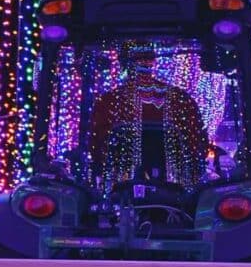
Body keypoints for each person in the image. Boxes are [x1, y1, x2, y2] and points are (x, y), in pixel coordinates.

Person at [89, 40, 208, 186]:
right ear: (153, 61)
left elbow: (97, 150)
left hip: (121, 188)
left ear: (123, 63)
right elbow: (197, 147)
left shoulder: (109, 101)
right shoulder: (180, 99)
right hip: (175, 188)